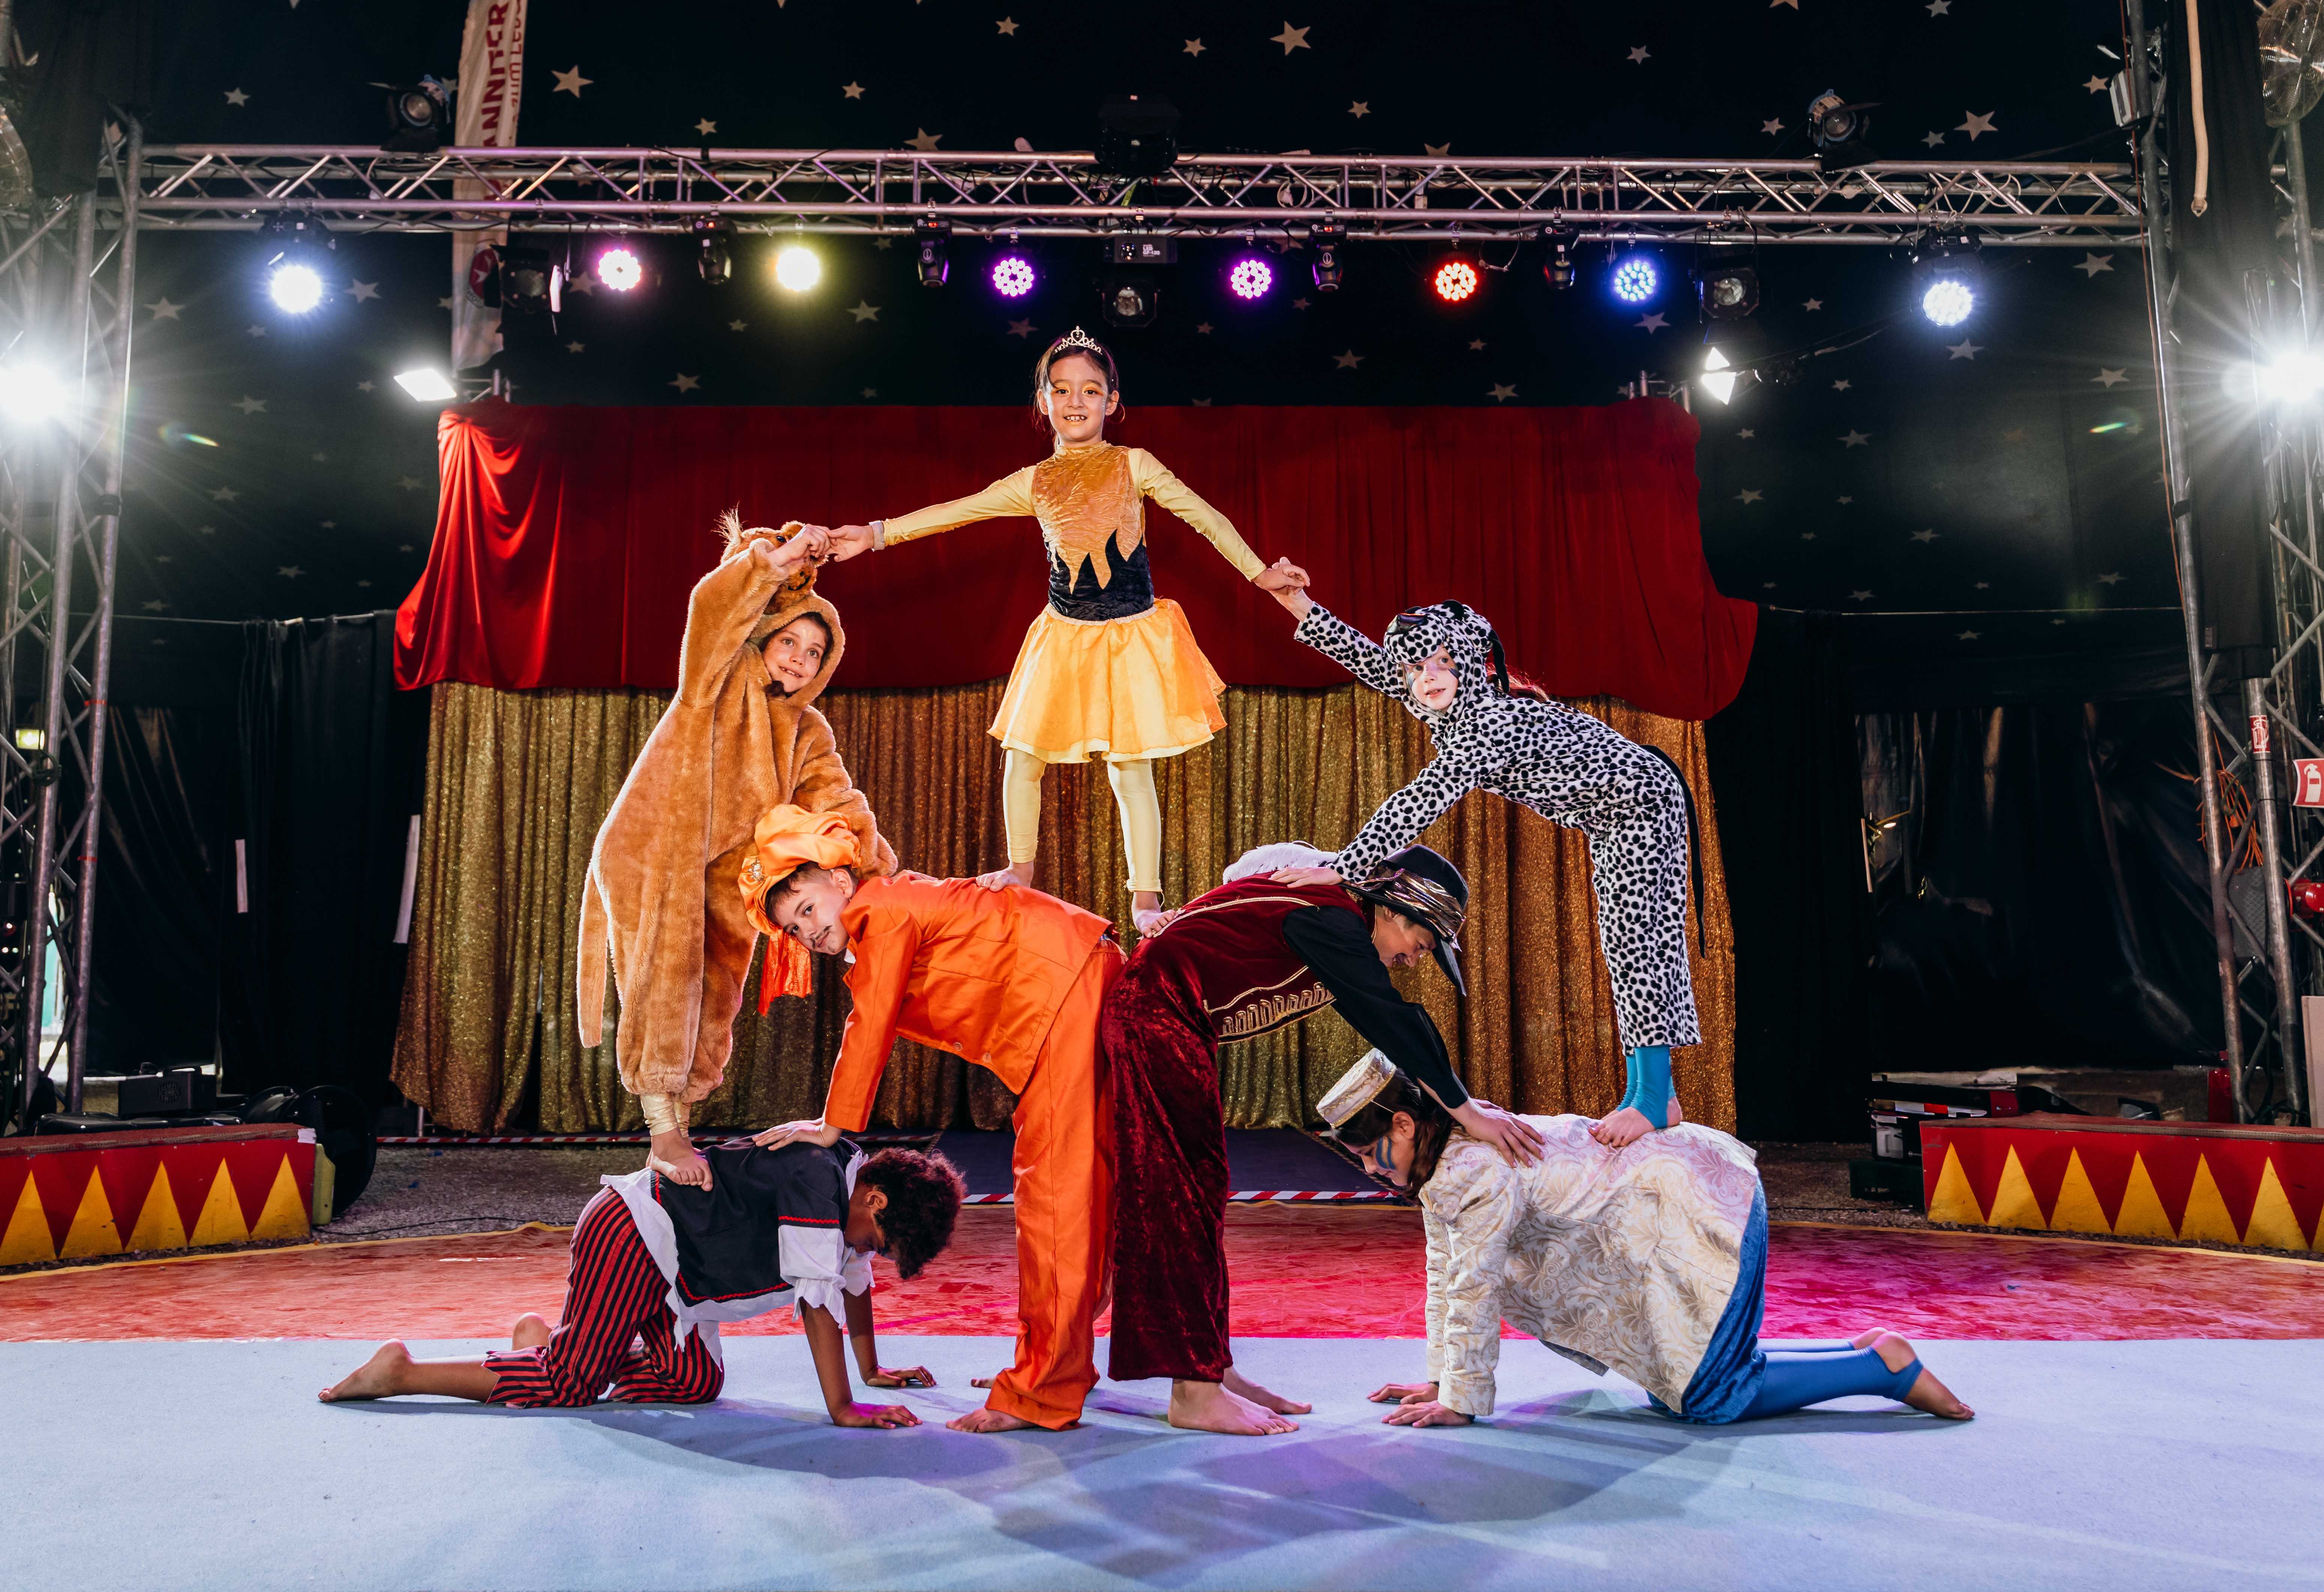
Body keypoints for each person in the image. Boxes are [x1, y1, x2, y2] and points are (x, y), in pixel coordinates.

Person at [826, 331, 1294, 935]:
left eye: (1091, 390)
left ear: (1112, 401)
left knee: (1130, 768)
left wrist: (1261, 573)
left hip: (1130, 636)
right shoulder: (1032, 481)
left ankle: (1145, 900)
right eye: (1063, 390)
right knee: (1022, 756)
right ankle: (1020, 869)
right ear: (1043, 402)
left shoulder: (1135, 465)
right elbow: (955, 512)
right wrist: (875, 533)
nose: (1077, 401)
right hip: (1065, 636)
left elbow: (1206, 518)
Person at [1099, 840, 1547, 1436]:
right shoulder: (1334, 920)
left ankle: (1211, 1369)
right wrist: (1468, 1114)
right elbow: (1393, 1021)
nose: (1417, 960)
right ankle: (1194, 1391)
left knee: (1201, 1190)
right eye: (1423, 943)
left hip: (1168, 1016)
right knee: (1179, 1193)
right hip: (1153, 1015)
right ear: (1394, 910)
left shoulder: (1326, 905)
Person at [1261, 573, 1700, 1149]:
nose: (1427, 676)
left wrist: (1344, 867)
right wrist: (1294, 602)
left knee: (1638, 941)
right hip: (1615, 816)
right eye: (1416, 667)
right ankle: (1652, 1091)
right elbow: (1371, 662)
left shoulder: (1485, 724)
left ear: (1468, 665)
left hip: (1641, 802)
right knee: (1626, 940)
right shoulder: (1443, 707)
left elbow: (1420, 798)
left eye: (1442, 662)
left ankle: (1651, 1096)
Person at [1319, 1051, 1975, 1428]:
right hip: (1678, 1208)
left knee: (1713, 1399)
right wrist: (1440, 1381)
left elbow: (1474, 1281)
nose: (1373, 1171)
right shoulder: (1446, 1162)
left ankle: (1884, 1373)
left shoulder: (1470, 1166)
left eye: (1371, 1154)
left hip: (1699, 1206)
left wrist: (1461, 1402)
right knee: (1685, 1385)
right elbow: (1446, 1270)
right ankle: (1858, 1350)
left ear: (1404, 1124)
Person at [740, 803, 1118, 1433]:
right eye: (794, 930)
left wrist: (830, 1127)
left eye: (807, 910)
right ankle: (1052, 1365)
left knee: (1054, 1195)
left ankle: (1042, 1387)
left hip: (1061, 998)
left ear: (839, 882)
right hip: (1072, 985)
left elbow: (870, 1026)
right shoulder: (888, 910)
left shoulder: (879, 911)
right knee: (1086, 1189)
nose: (806, 933)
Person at [582, 514, 897, 1188]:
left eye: (815, 652)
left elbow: (837, 800)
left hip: (726, 867)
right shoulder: (718, 675)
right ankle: (662, 1135)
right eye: (791, 641)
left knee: (717, 989)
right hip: (654, 844)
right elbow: (712, 606)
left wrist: (881, 877)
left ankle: (681, 1127)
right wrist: (776, 559)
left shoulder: (806, 728)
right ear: (764, 636)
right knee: (667, 979)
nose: (800, 660)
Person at [316, 1136, 964, 1428]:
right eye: (876, 1242)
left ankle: (548, 1342)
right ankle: (401, 1372)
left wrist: (873, 1371)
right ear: (875, 1200)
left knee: (694, 1382)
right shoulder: (819, 1184)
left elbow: (851, 1286)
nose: (866, 1254)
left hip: (679, 1270)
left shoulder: (849, 1191)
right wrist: (843, 1408)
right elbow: (818, 1309)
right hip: (633, 1234)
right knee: (569, 1387)